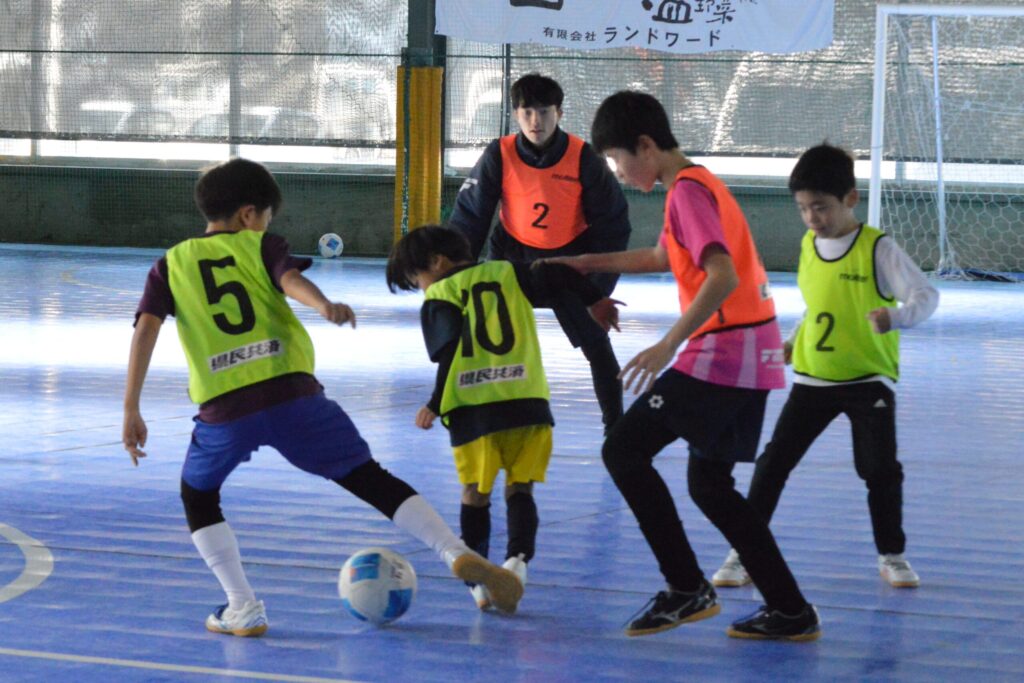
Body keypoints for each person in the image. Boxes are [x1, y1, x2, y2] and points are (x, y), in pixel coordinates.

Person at [121, 158, 523, 637]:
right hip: (292, 393)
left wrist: (131, 407)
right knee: (369, 478)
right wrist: (323, 305)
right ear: (249, 215)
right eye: (266, 216)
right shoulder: (261, 245)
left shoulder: (170, 264)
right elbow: (289, 280)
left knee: (199, 496)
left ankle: (243, 605)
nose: (267, 225)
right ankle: (456, 552)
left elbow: (146, 329)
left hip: (225, 408)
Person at [548, 90, 821, 641]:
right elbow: (661, 257)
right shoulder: (696, 185)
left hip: (724, 352)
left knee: (623, 450)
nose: (618, 172)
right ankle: (791, 609)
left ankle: (684, 586)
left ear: (645, 145)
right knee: (710, 487)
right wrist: (584, 261)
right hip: (755, 353)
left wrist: (668, 344)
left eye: (617, 159)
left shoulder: (688, 193)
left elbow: (721, 275)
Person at [712, 143, 939, 590]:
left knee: (879, 469)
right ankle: (744, 552)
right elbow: (818, 308)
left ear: (850, 199)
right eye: (803, 208)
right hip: (813, 378)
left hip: (867, 379)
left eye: (821, 207)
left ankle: (892, 555)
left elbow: (925, 296)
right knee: (773, 463)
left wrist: (895, 317)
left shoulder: (878, 249)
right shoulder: (808, 245)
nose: (812, 217)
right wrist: (794, 342)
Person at [386, 224, 620, 610]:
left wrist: (435, 403)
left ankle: (478, 581)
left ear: (437, 262)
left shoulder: (442, 294)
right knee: (520, 488)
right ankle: (517, 563)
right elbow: (557, 273)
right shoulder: (509, 271)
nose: (422, 288)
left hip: (474, 407)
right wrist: (595, 299)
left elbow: (449, 352)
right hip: (528, 401)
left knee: (474, 493)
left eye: (417, 279)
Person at [447, 72, 631, 434]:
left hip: (570, 262)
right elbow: (470, 218)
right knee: (485, 339)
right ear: (515, 114)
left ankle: (616, 427)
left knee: (596, 342)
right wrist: (455, 276)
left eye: (544, 112)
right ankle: (486, 418)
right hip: (512, 256)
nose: (536, 121)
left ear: (559, 113)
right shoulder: (499, 154)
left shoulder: (583, 157)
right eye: (527, 112)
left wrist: (597, 288)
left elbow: (612, 224)